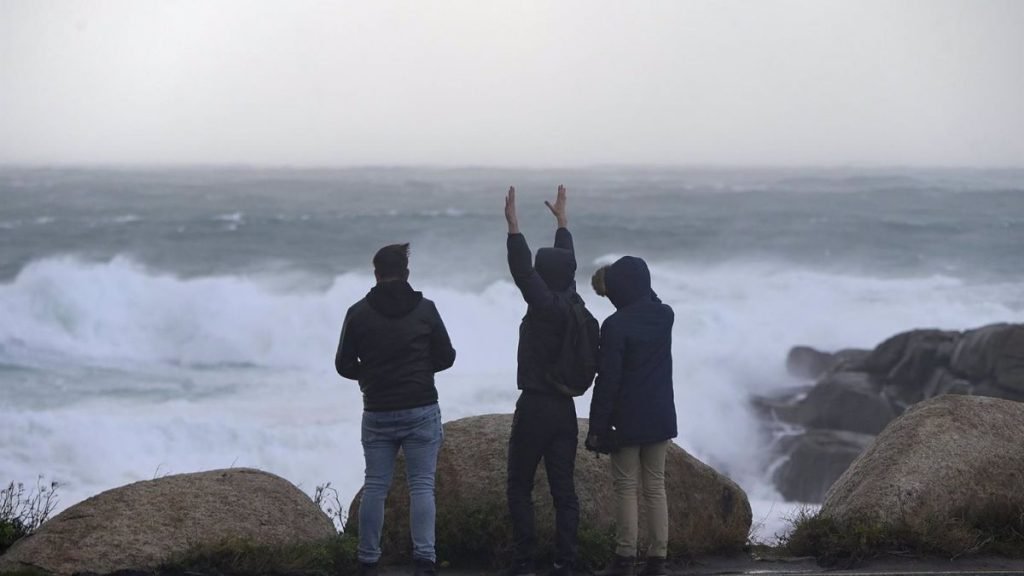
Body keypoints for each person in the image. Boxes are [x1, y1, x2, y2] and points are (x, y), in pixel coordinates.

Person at [336, 243, 456, 576]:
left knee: (375, 485)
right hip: (420, 408)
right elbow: (447, 356)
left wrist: (370, 375)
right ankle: (425, 560)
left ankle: (368, 559)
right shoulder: (426, 309)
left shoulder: (357, 312)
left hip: (377, 410)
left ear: (376, 274)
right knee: (421, 486)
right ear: (406, 273)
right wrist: (419, 369)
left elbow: (343, 363)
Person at [503, 185, 582, 576]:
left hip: (535, 405)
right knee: (563, 491)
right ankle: (565, 562)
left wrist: (514, 227)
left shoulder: (545, 306)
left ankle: (524, 562)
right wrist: (562, 225)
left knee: (519, 485)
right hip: (565, 409)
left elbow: (522, 272)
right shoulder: (573, 302)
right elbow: (567, 265)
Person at [585, 257, 676, 576]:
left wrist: (597, 426)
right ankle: (658, 560)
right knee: (655, 486)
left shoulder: (615, 325)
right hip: (660, 415)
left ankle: (624, 558)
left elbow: (607, 380)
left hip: (626, 419)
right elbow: (654, 299)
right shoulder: (665, 316)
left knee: (625, 487)